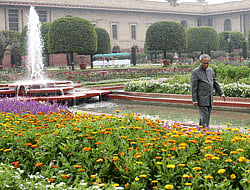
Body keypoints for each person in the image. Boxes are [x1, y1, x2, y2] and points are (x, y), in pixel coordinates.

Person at [191, 54, 226, 128]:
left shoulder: (210, 70)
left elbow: (215, 83)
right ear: (200, 62)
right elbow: (193, 88)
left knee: (205, 117)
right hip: (201, 98)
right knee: (205, 116)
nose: (206, 65)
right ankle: (206, 131)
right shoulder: (195, 72)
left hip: (209, 98)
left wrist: (221, 93)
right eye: (204, 63)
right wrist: (194, 100)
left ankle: (201, 131)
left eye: (207, 63)